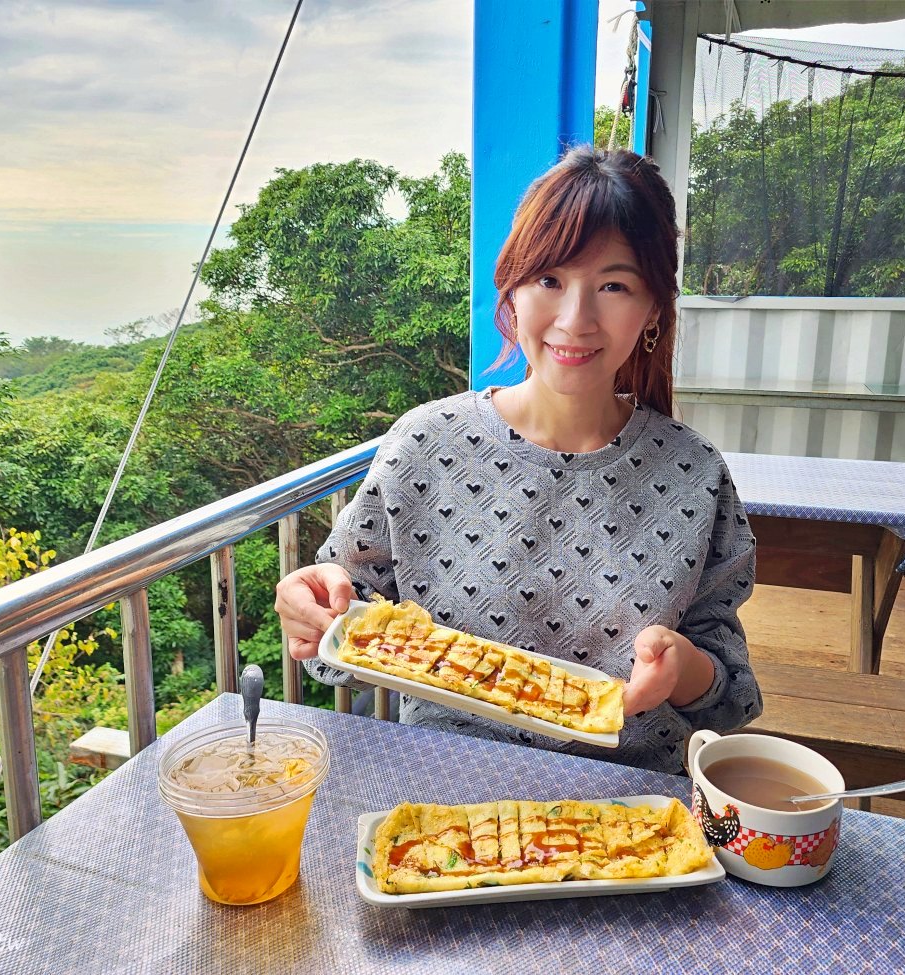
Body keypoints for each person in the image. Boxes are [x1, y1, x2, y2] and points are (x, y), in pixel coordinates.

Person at [275, 146, 762, 773]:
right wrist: (311, 604)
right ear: (512, 289)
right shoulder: (424, 443)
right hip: (438, 796)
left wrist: (682, 669)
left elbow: (733, 699)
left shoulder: (694, 473)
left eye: (614, 286)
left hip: (629, 814)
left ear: (652, 310)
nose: (574, 319)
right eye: (549, 280)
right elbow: (333, 639)